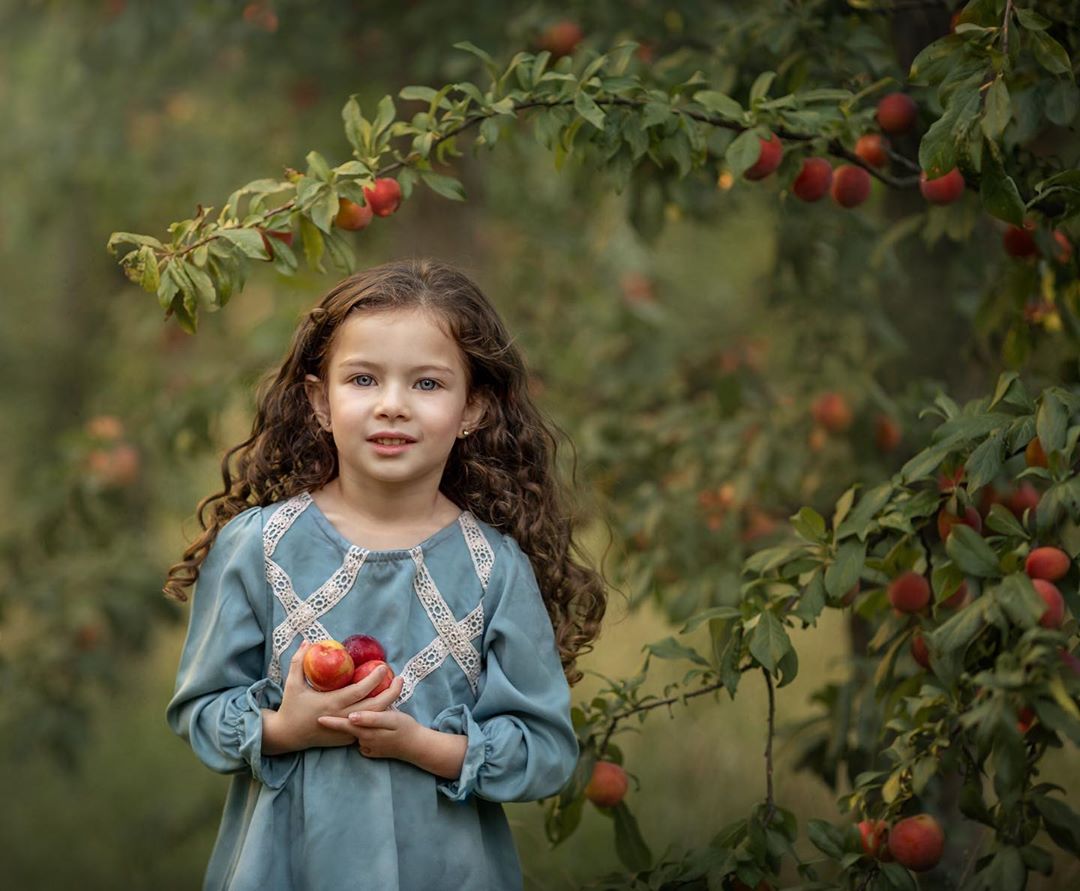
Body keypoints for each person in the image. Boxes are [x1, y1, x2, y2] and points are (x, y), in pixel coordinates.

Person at [164, 258, 607, 891]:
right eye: (364, 379)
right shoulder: (258, 547)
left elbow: (545, 752)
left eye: (427, 384)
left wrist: (420, 745)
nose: (393, 406)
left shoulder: (493, 569)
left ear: (473, 407)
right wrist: (285, 730)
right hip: (288, 866)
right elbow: (200, 710)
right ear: (320, 400)